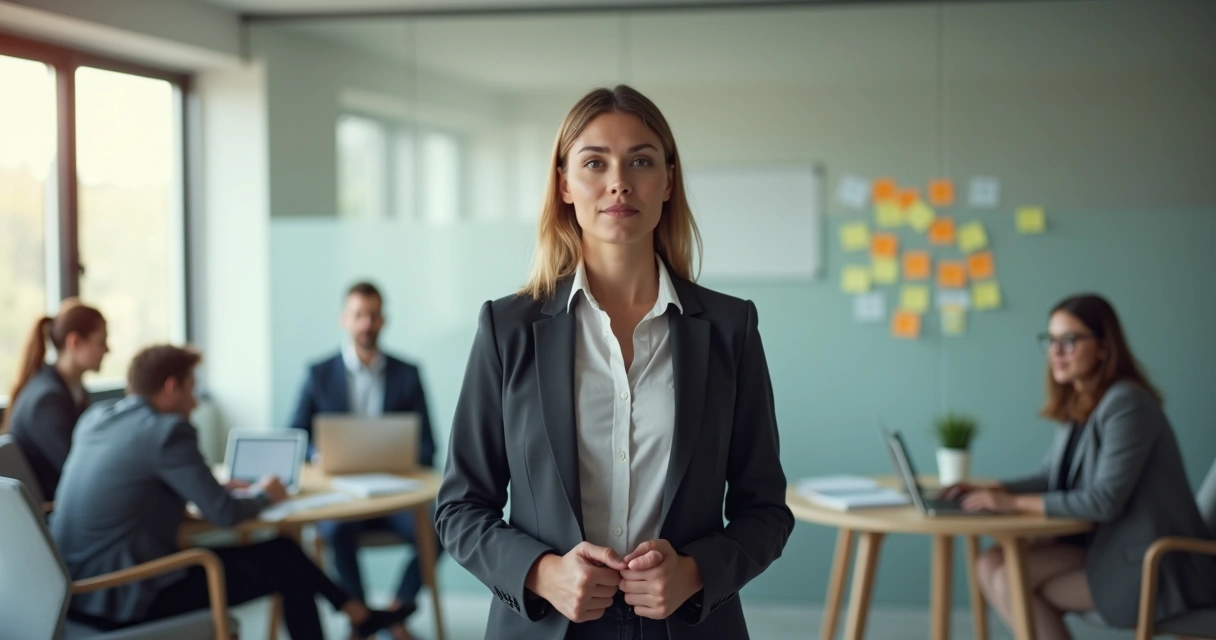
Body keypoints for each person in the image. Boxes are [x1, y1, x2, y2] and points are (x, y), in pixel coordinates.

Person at [436, 85, 794, 640]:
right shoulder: (506, 330)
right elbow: (460, 508)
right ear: (564, 184)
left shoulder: (731, 328)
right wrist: (542, 573)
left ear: (668, 181)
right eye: (595, 162)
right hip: (547, 626)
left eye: (641, 161)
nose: (618, 181)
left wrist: (696, 573)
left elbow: (766, 510)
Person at [50, 345, 407, 640]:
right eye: (192, 389)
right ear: (171, 386)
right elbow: (225, 514)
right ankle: (358, 614)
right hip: (128, 596)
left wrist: (206, 488)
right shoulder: (169, 431)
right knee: (285, 559)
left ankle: (357, 613)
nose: (196, 402)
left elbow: (135, 492)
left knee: (284, 558)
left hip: (76, 592)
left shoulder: (96, 418)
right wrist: (267, 493)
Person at [942, 294, 1216, 638]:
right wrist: (996, 490)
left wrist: (1011, 505)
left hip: (1154, 563)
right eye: (1051, 340)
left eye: (1069, 341)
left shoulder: (1127, 404)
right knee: (989, 563)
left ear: (1104, 347)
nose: (1056, 352)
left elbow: (1103, 500)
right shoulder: (1082, 401)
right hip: (1106, 548)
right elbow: (1049, 477)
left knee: (1012, 581)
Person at [290, 281, 439, 639]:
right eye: (359, 315)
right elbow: (294, 436)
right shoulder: (318, 373)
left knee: (441, 527)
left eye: (373, 315)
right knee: (336, 531)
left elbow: (428, 445)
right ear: (345, 319)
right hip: (342, 496)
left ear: (383, 320)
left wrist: (401, 455)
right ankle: (360, 616)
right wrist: (318, 454)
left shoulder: (407, 373)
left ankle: (394, 611)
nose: (366, 323)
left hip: (395, 495)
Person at [3, 299, 107, 501]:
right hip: (54, 509)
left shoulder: (71, 390)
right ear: (74, 341)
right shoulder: (47, 400)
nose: (107, 350)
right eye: (101, 341)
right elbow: (77, 470)